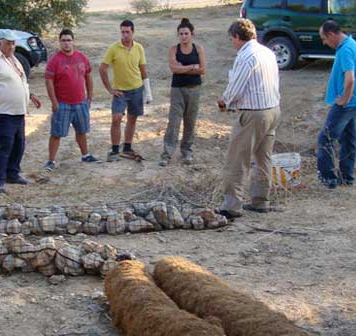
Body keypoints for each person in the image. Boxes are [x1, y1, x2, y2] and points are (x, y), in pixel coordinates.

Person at [215, 19, 281, 219]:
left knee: (237, 159)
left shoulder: (247, 56)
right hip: (273, 109)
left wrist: (224, 101)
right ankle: (260, 200)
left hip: (253, 113)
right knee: (263, 158)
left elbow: (236, 87)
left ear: (237, 36)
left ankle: (232, 205)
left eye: (232, 39)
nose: (232, 43)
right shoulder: (267, 52)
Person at [0, 29, 42, 193]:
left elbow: (21, 82)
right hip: (3, 112)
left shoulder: (14, 60)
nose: (11, 46)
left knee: (18, 144)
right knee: (3, 145)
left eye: (13, 43)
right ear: (0, 43)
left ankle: (13, 173)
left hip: (18, 111)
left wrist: (31, 95)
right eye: (8, 43)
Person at [316, 20, 356, 189]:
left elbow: (350, 78)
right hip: (355, 101)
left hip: (347, 104)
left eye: (324, 39)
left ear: (331, 34)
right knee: (348, 140)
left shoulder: (345, 50)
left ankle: (329, 179)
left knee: (325, 139)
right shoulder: (351, 43)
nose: (324, 42)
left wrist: (344, 99)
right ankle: (346, 178)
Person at [43, 29, 97, 171]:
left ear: (73, 41)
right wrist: (54, 102)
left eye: (69, 40)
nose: (66, 43)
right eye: (63, 40)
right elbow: (48, 82)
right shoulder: (54, 61)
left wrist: (89, 97)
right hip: (62, 104)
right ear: (59, 42)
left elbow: (88, 77)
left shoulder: (82, 58)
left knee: (82, 131)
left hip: (80, 103)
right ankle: (51, 161)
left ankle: (85, 155)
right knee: (56, 134)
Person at [99, 20, 150, 162]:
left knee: (132, 118)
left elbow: (143, 70)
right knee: (116, 118)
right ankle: (114, 150)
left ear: (133, 32)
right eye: (122, 32)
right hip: (120, 91)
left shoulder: (139, 48)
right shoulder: (113, 48)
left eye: (128, 32)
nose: (125, 35)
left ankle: (127, 147)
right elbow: (102, 69)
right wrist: (110, 89)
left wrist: (148, 92)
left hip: (136, 89)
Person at [160, 18, 206, 167]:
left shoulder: (198, 49)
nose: (183, 36)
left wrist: (183, 68)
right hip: (177, 90)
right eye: (181, 33)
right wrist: (192, 66)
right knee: (174, 121)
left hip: (194, 89)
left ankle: (187, 152)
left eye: (186, 33)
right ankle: (167, 154)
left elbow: (202, 70)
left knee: (190, 121)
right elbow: (173, 69)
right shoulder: (174, 49)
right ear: (178, 35)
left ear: (192, 34)